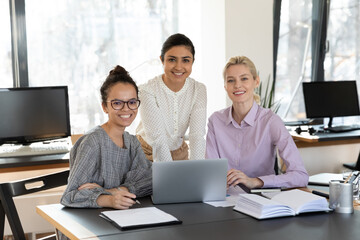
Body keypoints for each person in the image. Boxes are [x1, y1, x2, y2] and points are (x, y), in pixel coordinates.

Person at [206, 56, 308, 189]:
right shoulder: (215, 121)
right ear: (225, 86)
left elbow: (300, 176)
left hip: (261, 199)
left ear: (256, 81)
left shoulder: (271, 121)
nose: (237, 85)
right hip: (224, 198)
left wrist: (255, 181)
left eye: (244, 79)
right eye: (231, 80)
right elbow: (210, 173)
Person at [61, 65, 152, 210]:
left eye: (132, 102)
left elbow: (149, 180)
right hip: (88, 224)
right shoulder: (92, 142)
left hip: (123, 218)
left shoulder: (132, 142)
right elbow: (70, 196)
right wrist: (108, 200)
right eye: (117, 103)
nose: (126, 108)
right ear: (104, 107)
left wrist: (114, 191)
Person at [136, 33, 207, 162]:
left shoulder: (199, 89)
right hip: (145, 151)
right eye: (172, 59)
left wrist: (198, 171)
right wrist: (169, 173)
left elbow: (197, 135)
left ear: (192, 62)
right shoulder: (146, 90)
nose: (179, 67)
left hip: (178, 151)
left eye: (185, 60)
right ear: (162, 60)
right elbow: (158, 138)